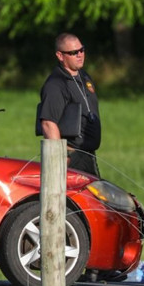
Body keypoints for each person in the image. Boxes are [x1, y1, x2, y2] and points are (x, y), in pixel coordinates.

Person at [39, 32, 102, 177]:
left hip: (88, 156)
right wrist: (59, 159)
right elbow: (49, 123)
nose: (80, 55)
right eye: (74, 53)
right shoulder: (56, 84)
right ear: (60, 56)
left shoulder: (84, 76)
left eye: (82, 50)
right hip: (71, 157)